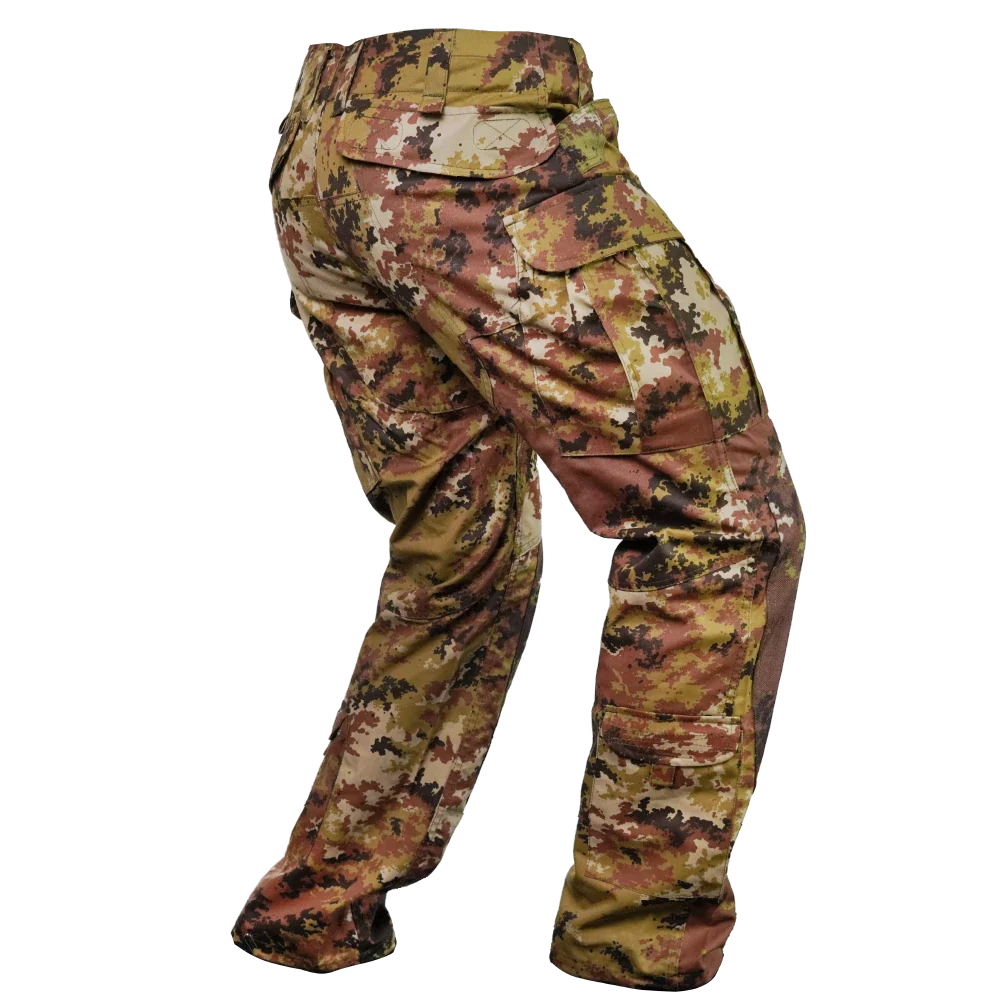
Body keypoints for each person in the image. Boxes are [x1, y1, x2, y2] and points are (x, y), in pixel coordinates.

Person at [235, 29, 807, 989]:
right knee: (717, 520)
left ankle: (315, 914)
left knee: (460, 551)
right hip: (481, 140)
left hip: (326, 144)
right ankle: (634, 950)